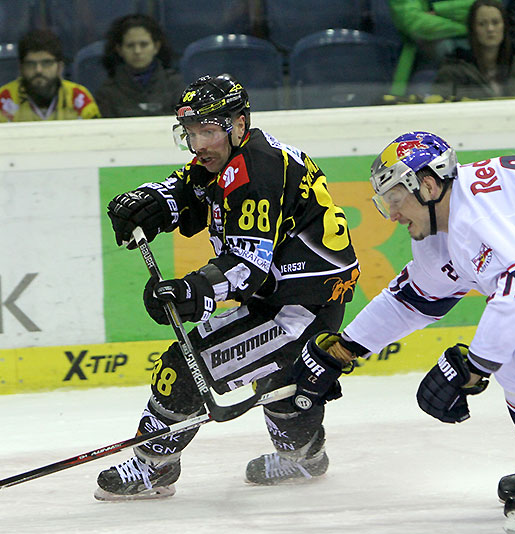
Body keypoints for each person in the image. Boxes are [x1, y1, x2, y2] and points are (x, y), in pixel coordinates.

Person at [294, 131, 515, 534]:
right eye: (385, 203)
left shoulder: (479, 209)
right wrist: (342, 350)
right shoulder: (443, 231)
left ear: (429, 185)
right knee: (514, 347)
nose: (391, 214)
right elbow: (413, 298)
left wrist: (473, 367)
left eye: (395, 198)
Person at [96, 74, 359, 500]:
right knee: (282, 389)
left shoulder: (257, 170)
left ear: (239, 124)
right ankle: (305, 459)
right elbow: (188, 187)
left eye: (209, 131)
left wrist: (192, 292)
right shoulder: (235, 156)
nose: (200, 143)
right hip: (288, 298)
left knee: (185, 366)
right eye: (191, 133)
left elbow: (245, 265)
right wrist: (150, 202)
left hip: (297, 311)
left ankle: (153, 467)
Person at [0, 29, 100, 123]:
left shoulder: (78, 96)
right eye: (31, 64)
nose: (38, 70)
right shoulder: (6, 97)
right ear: (21, 68)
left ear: (60, 67)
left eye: (46, 63)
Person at [431, 0, 515, 100]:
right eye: (482, 24)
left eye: (495, 22)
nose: (490, 29)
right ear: (473, 29)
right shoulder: (452, 70)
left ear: (504, 27)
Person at [95, 14, 184, 118]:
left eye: (144, 44)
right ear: (119, 50)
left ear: (156, 47)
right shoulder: (107, 93)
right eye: (130, 45)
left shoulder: (175, 86)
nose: (137, 51)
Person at [387, 0, 477, 96]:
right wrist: (470, 29)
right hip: (423, 69)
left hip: (484, 68)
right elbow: (413, 22)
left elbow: (491, 6)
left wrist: (441, 10)